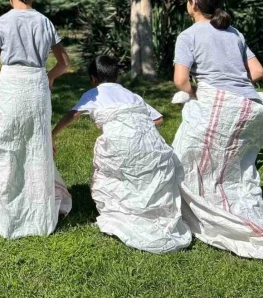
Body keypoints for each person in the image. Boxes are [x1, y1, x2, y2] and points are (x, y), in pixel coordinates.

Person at [171, 0, 263, 264]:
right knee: (236, 167)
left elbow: (181, 81)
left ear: (194, 4)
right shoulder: (234, 33)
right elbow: (258, 72)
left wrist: (199, 93)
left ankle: (202, 216)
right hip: (251, 108)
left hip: (220, 107)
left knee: (182, 160)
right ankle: (239, 211)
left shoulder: (189, 35)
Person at [0, 0, 72, 239]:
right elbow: (64, 63)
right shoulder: (45, 23)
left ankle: (6, 209)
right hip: (37, 85)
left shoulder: (1, 23)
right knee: (36, 146)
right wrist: (49, 77)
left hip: (11, 85)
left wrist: (2, 84)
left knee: (4, 145)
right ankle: (38, 212)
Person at [52, 55, 191, 254]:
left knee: (113, 172)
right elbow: (158, 119)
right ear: (117, 76)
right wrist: (136, 125)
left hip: (121, 143)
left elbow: (72, 115)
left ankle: (122, 212)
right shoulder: (131, 95)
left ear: (94, 78)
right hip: (151, 143)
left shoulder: (94, 93)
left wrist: (52, 135)